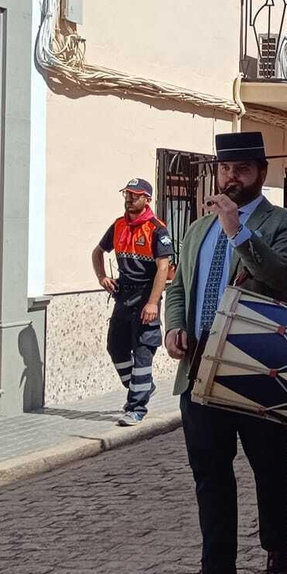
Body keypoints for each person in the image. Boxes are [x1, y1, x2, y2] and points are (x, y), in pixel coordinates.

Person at [161, 132, 287, 574]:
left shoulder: (286, 222)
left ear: (262, 172)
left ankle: (276, 550)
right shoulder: (197, 229)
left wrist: (238, 231)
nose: (231, 177)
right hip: (199, 370)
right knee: (210, 476)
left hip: (257, 370)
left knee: (269, 467)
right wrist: (173, 326)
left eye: (242, 169)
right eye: (225, 169)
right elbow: (179, 285)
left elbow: (284, 280)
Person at [93, 178, 174, 426]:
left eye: (135, 195)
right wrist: (102, 277)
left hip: (145, 298)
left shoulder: (157, 229)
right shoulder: (117, 226)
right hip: (123, 297)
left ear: (147, 199)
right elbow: (97, 252)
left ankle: (136, 407)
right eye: (127, 194)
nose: (129, 199)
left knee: (142, 351)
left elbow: (163, 268)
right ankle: (143, 386)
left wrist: (153, 303)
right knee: (115, 347)